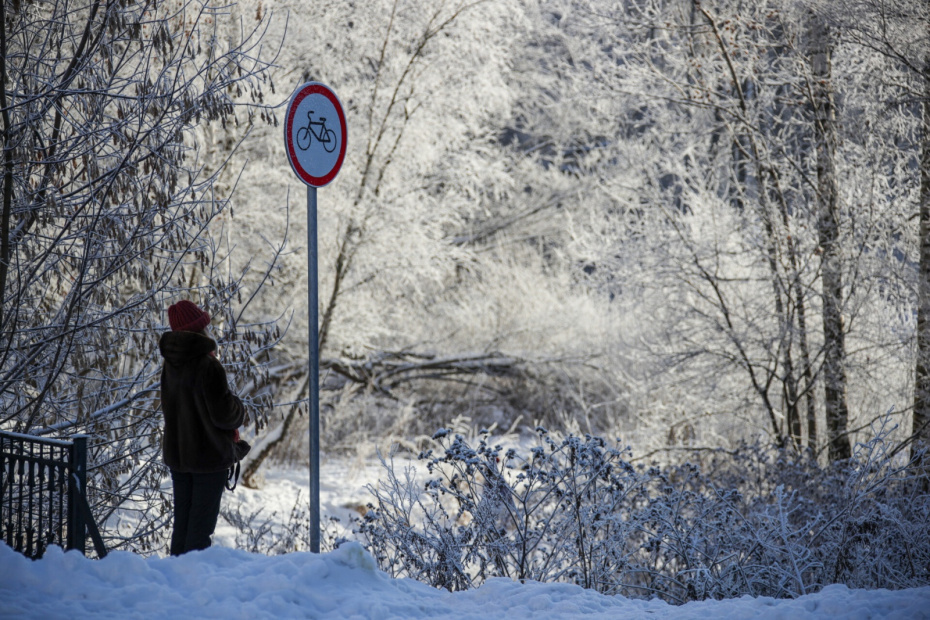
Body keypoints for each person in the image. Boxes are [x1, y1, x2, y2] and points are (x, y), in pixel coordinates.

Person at [159, 299, 249, 556]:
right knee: (200, 530)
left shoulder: (170, 365)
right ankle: (192, 578)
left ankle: (175, 574)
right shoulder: (208, 365)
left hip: (179, 457)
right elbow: (225, 415)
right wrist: (239, 408)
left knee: (183, 526)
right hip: (207, 459)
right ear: (199, 329)